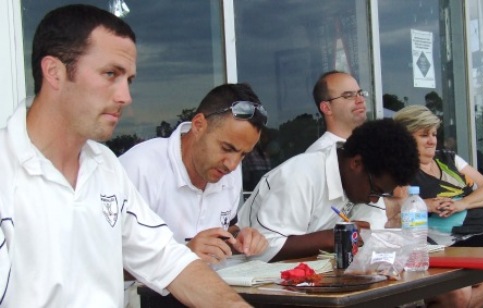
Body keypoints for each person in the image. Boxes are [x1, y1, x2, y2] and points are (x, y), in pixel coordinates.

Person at [0, 5, 250, 307]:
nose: (125, 97)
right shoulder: (7, 168)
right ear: (54, 71)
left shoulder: (104, 166)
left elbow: (168, 260)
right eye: (110, 74)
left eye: (128, 80)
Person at [119, 83, 269, 264]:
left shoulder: (229, 172)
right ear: (198, 125)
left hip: (203, 288)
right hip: (139, 292)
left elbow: (226, 227)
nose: (233, 164)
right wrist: (182, 256)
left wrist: (240, 237)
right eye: (227, 148)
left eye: (243, 154)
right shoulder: (139, 168)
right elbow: (97, 260)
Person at [237, 119, 419, 262]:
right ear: (356, 163)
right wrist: (333, 238)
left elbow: (370, 240)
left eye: (380, 195)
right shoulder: (301, 175)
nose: (374, 200)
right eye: (376, 191)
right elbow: (263, 249)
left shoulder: (365, 183)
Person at [390, 105, 483, 308]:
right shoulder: (401, 169)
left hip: (480, 235)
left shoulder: (449, 159)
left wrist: (463, 203)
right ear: (405, 138)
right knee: (458, 295)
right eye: (424, 135)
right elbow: (394, 208)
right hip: (446, 246)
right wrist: (427, 204)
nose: (432, 140)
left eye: (434, 134)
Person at [306, 70, 386, 229]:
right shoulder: (319, 155)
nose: (360, 100)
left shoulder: (370, 149)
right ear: (326, 107)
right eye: (349, 96)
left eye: (360, 93)